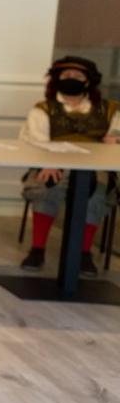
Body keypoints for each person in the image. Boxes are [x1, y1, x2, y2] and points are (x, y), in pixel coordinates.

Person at [17, 56, 120, 276]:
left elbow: (115, 137)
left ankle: (84, 252)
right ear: (57, 79)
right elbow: (36, 140)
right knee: (48, 186)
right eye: (66, 75)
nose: (71, 78)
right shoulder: (43, 109)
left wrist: (115, 139)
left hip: (96, 165)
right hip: (52, 162)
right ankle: (37, 248)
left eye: (77, 76)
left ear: (88, 81)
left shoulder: (110, 109)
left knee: (96, 193)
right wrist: (48, 163)